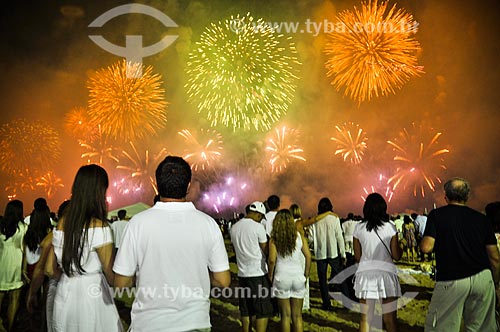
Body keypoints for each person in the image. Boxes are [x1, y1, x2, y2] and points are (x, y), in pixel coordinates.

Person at [113, 156, 230, 331]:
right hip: (195, 322)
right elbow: (223, 280)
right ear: (189, 186)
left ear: (157, 185)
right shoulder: (208, 224)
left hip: (150, 324)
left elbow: (121, 283)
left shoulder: (137, 223)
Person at [46, 165, 123, 331]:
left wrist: (69, 275)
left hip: (65, 291)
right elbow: (111, 277)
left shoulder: (61, 224)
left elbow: (49, 269)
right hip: (92, 296)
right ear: (98, 192)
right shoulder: (99, 227)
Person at [421, 178, 499, 331]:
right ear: (467, 197)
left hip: (452, 279)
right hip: (483, 278)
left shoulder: (437, 215)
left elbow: (426, 247)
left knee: (442, 326)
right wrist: (496, 283)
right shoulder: (482, 219)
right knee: (482, 327)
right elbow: (494, 257)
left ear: (446, 196)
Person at [353, 193, 402, 332]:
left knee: (365, 319)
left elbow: (357, 256)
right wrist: (402, 247)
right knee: (390, 319)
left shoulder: (359, 228)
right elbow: (396, 255)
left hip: (366, 274)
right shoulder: (390, 227)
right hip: (386, 274)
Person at [230, 201, 274, 332]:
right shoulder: (258, 227)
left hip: (242, 273)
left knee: (246, 309)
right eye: (261, 217)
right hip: (258, 273)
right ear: (258, 214)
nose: (261, 220)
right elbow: (265, 250)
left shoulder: (234, 227)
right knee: (262, 310)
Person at [26, 200, 70, 332]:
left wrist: (32, 292)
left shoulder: (54, 235)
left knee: (55, 325)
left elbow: (44, 269)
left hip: (57, 286)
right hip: (83, 289)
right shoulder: (88, 232)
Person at [268, 209, 311, 332]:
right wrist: (306, 275)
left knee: (285, 316)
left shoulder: (274, 239)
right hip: (297, 276)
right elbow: (308, 257)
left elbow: (271, 260)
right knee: (297, 316)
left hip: (281, 277)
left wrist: (270, 276)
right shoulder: (299, 236)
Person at [303, 197, 346, 310]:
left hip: (320, 254)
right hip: (333, 253)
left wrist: (314, 247)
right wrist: (343, 254)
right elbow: (339, 237)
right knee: (341, 276)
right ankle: (347, 301)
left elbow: (311, 239)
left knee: (322, 280)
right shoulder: (335, 218)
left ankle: (326, 304)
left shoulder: (315, 220)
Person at [0, 200, 27, 332]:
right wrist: (24, 269)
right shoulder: (23, 228)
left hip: (2, 263)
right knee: (14, 298)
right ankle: (9, 327)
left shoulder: (1, 227)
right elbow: (24, 249)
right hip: (16, 264)